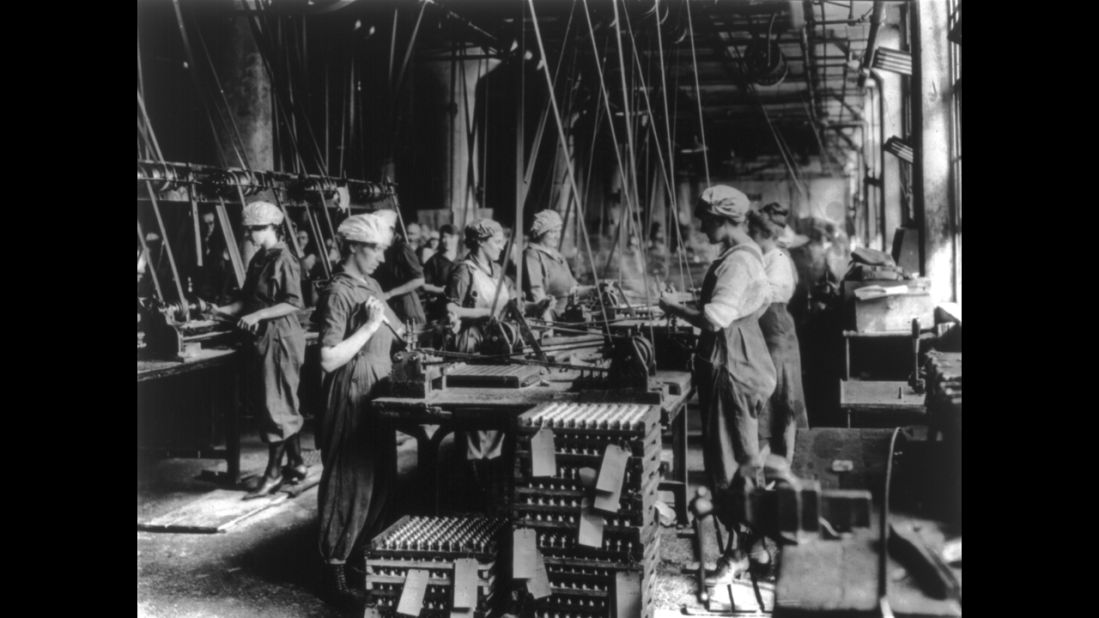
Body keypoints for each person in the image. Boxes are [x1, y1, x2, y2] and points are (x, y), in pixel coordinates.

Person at [658, 185, 776, 578]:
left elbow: (716, 317)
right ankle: (755, 550)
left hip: (730, 362)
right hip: (746, 356)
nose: (702, 226)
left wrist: (675, 307)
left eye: (706, 219)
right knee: (745, 458)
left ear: (723, 219)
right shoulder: (747, 254)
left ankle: (738, 554)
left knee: (730, 464)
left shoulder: (736, 263)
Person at [312, 212, 403, 605]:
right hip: (352, 391)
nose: (381, 257)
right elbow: (329, 359)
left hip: (378, 390)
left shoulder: (372, 284)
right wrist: (367, 327)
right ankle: (334, 572)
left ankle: (360, 560)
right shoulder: (337, 292)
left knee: (381, 476)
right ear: (353, 247)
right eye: (375, 249)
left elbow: (397, 331)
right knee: (350, 480)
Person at [445, 219, 552, 507]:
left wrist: (534, 307)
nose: (502, 246)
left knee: (498, 418)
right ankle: (472, 493)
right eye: (497, 241)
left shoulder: (496, 273)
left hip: (500, 347)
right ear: (480, 242)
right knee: (478, 419)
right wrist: (485, 313)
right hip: (475, 348)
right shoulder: (463, 271)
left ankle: (492, 487)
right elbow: (451, 309)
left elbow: (508, 305)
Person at [210, 201, 308, 500]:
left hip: (280, 337)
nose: (249, 234)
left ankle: (274, 474)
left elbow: (293, 302)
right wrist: (218, 312)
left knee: (275, 404)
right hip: (264, 338)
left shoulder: (284, 259)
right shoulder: (259, 259)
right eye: (247, 229)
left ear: (270, 228)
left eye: (254, 229)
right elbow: (247, 301)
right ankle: (298, 463)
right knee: (277, 401)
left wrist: (257, 316)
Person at [747, 210, 809, 465]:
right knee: (770, 391)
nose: (750, 237)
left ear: (763, 234)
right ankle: (771, 458)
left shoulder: (778, 257)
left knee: (784, 392)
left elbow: (769, 294)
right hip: (767, 327)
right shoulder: (767, 256)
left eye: (752, 233)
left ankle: (786, 459)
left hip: (777, 329)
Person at [521, 209, 592, 317]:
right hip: (551, 317)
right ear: (541, 232)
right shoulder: (532, 256)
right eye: (553, 232)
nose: (557, 236)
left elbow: (572, 289)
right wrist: (549, 327)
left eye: (558, 231)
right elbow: (537, 295)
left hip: (568, 313)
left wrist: (594, 290)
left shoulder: (557, 255)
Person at [372, 209, 427, 328]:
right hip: (390, 303)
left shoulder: (403, 249)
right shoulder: (385, 248)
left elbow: (419, 280)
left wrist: (390, 293)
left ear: (391, 230)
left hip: (407, 306)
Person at [421, 224, 460, 323]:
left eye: (451, 237)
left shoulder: (463, 260)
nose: (447, 241)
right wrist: (441, 290)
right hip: (441, 308)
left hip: (461, 308)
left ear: (457, 238)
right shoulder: (434, 261)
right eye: (444, 237)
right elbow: (423, 285)